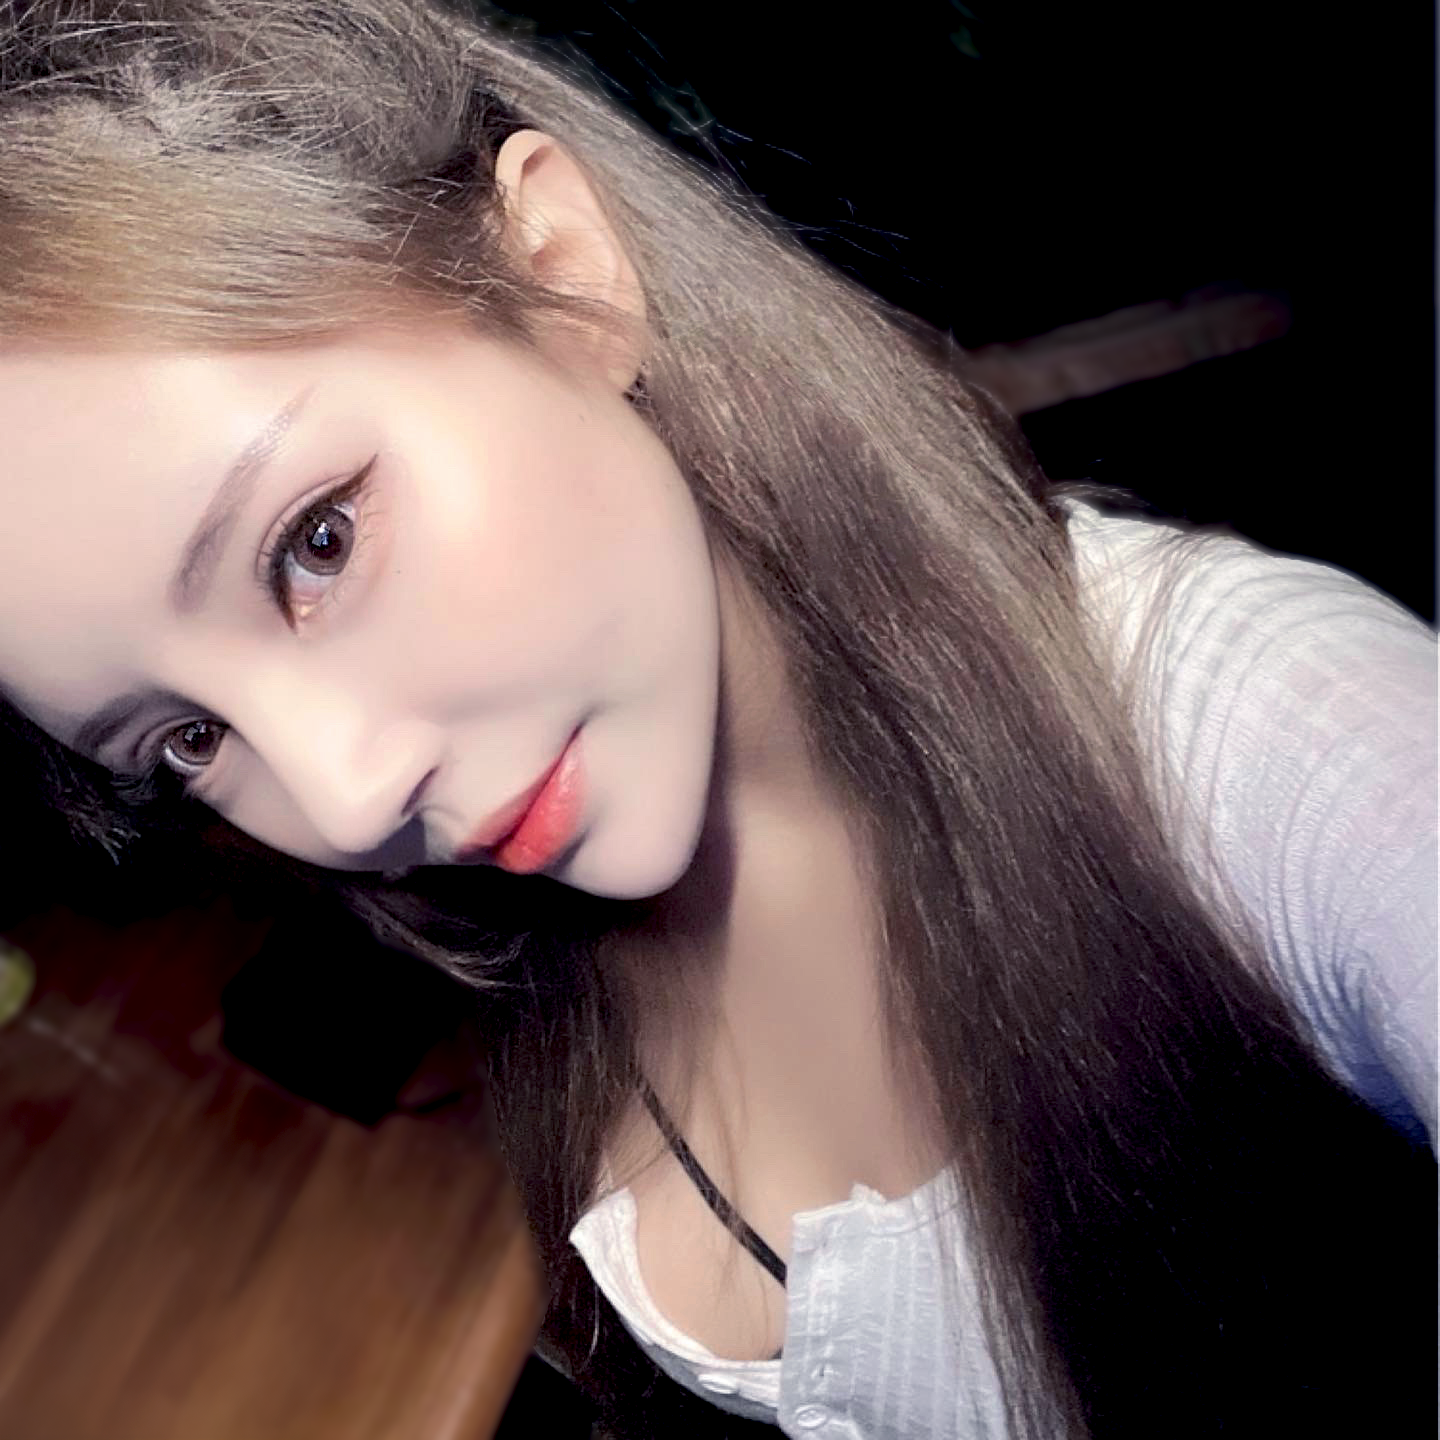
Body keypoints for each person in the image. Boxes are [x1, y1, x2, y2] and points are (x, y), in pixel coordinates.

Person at [0, 2, 1433, 1436]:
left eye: (315, 543)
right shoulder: (554, 933)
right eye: (185, 741)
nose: (345, 797)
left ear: (559, 272)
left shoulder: (1265, 751)